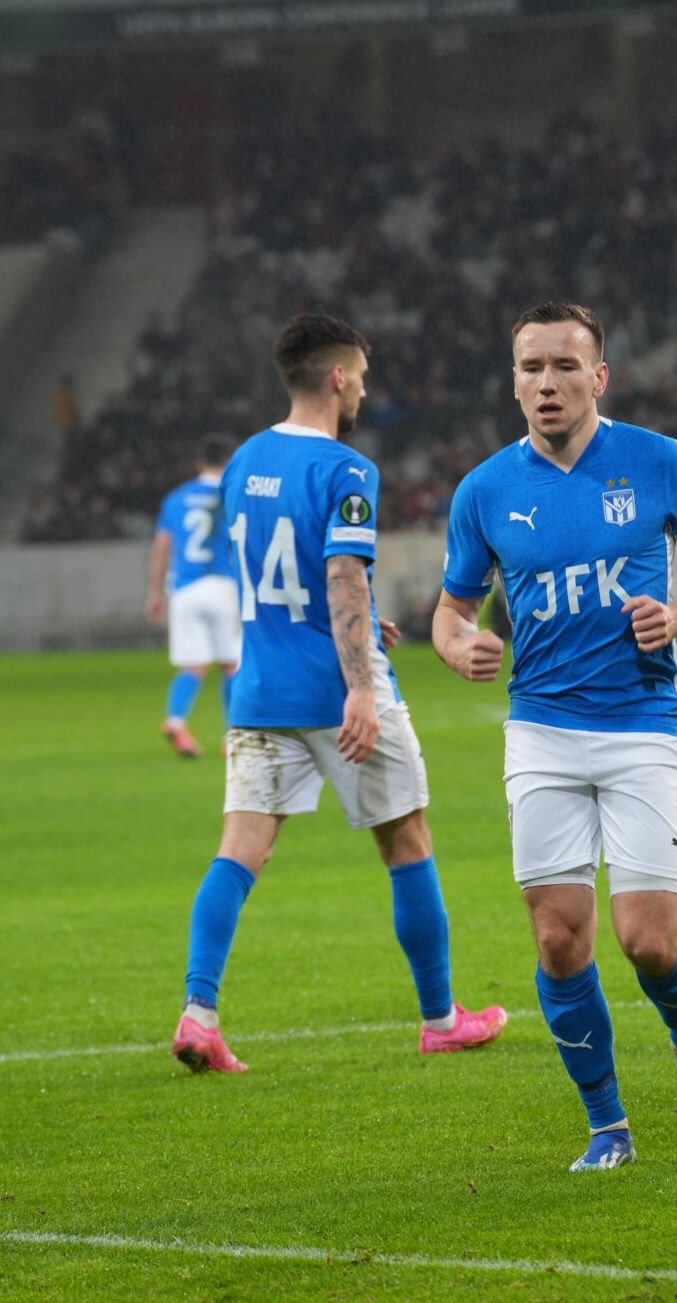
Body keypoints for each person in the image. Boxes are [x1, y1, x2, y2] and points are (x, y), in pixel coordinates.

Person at [432, 301, 677, 1172]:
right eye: (530, 368)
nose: (546, 384)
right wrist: (460, 644)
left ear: (598, 377)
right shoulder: (487, 489)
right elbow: (450, 609)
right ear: (514, 382)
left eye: (564, 367)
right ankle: (607, 1125)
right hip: (540, 731)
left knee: (649, 940)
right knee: (558, 937)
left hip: (644, 723)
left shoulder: (658, 462)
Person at [171, 312, 506, 1073]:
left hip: (258, 689)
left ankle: (198, 1014)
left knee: (238, 852)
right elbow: (340, 575)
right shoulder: (348, 470)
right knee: (406, 840)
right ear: (336, 377)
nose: (364, 386)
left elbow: (271, 577)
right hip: (335, 690)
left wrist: (361, 624)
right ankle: (439, 1016)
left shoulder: (243, 462)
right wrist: (359, 685)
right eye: (360, 374)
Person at [145, 436, 242, 758]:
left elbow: (162, 546)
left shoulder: (176, 498)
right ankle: (232, 736)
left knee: (193, 665)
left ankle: (175, 720)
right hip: (222, 585)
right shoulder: (233, 494)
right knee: (231, 664)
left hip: (184, 589)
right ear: (228, 463)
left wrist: (155, 591)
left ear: (199, 464)